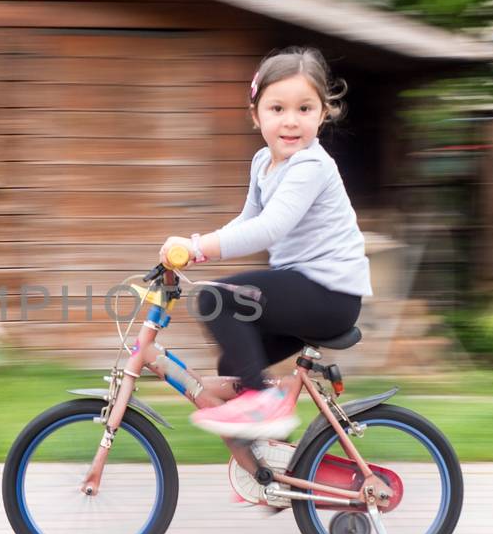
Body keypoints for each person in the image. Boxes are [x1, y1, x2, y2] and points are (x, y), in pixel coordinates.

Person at [158, 46, 372, 442]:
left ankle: (263, 402)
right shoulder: (263, 162)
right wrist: (192, 252)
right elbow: (248, 221)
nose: (291, 122)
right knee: (234, 365)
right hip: (305, 289)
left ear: (323, 114)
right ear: (256, 115)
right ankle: (274, 467)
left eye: (304, 109)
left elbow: (269, 228)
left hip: (331, 294)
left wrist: (197, 247)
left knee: (216, 300)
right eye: (277, 109)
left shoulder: (311, 165)